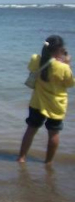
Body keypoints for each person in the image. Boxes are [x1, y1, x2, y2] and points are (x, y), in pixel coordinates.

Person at [18, 35, 73, 165]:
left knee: (30, 130)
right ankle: (48, 162)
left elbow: (32, 68)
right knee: (53, 134)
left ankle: (21, 157)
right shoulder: (63, 67)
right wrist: (67, 64)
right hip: (56, 105)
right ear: (60, 50)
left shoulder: (35, 60)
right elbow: (70, 83)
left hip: (37, 102)